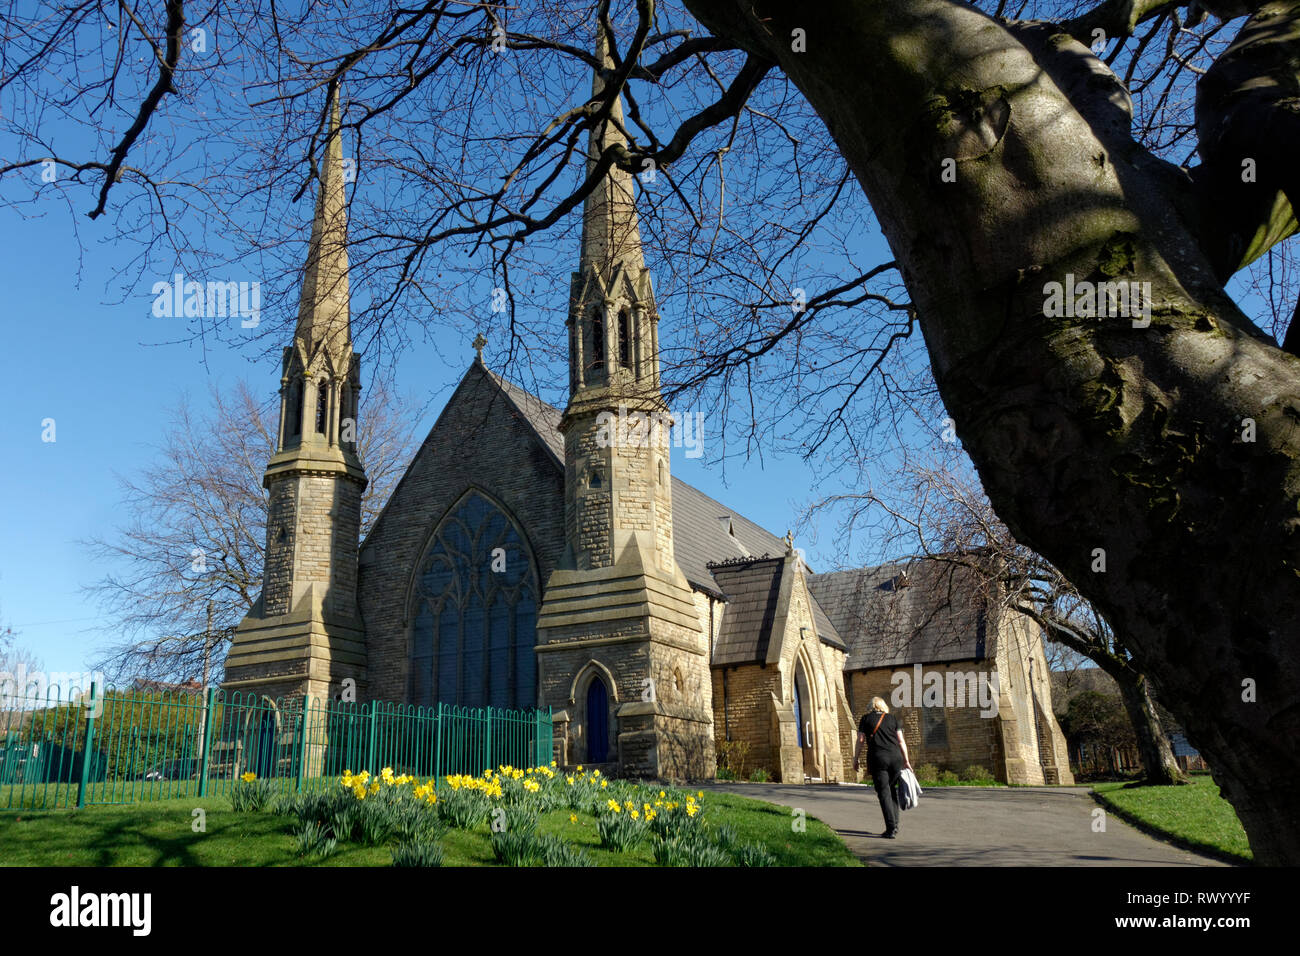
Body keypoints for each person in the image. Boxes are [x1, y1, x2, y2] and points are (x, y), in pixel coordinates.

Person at [853, 696, 912, 838]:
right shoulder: (892, 718)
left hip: (878, 759)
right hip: (896, 758)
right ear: (883, 706)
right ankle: (895, 825)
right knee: (892, 791)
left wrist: (856, 758)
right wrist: (906, 760)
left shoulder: (865, 719)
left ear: (871, 707)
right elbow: (901, 741)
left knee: (884, 793)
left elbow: (861, 740)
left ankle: (891, 829)